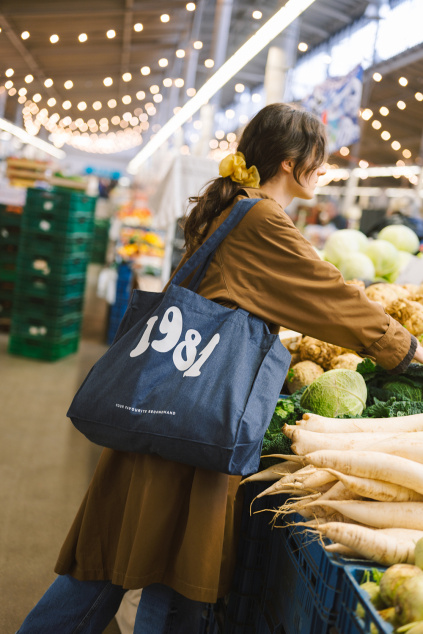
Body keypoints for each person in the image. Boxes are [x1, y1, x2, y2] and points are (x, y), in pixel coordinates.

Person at [17, 103, 423, 633]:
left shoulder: (234, 207)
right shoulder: (261, 219)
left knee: (117, 564)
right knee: (162, 572)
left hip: (171, 402)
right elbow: (328, 294)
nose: (322, 172)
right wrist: (408, 350)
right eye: (316, 161)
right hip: (198, 417)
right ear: (287, 161)